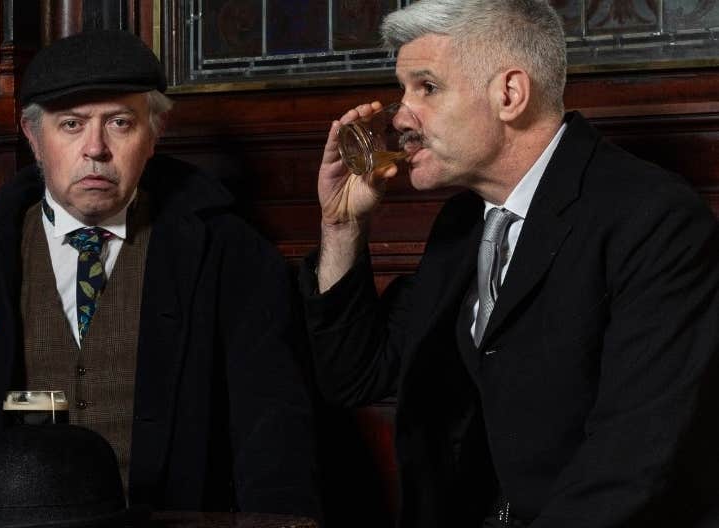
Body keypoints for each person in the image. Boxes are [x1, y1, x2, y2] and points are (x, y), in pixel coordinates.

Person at [300, 1, 719, 527]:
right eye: (403, 91)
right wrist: (342, 227)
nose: (400, 116)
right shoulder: (461, 222)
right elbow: (354, 377)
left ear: (510, 94)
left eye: (425, 87)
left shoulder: (654, 219)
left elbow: (633, 462)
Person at [0, 29, 321, 520]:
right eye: (71, 125)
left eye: (119, 123)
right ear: (33, 136)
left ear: (155, 133)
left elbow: (275, 433)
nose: (95, 149)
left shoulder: (230, 255)